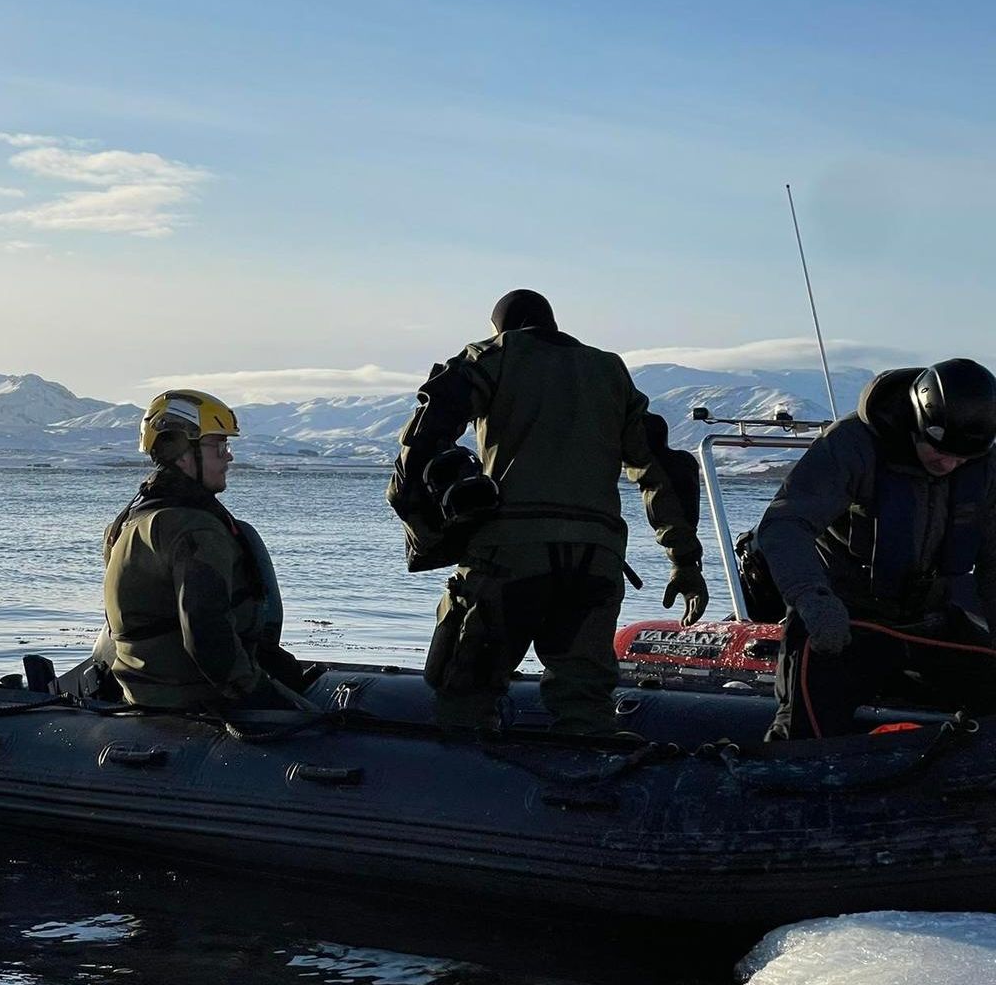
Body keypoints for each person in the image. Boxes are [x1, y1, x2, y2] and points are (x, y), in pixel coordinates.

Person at [391, 288, 708, 736]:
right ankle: (588, 788)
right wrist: (684, 562)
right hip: (596, 561)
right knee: (584, 702)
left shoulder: (494, 355)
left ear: (501, 326)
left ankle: (468, 787)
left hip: (508, 555)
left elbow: (422, 441)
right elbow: (660, 471)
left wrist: (431, 531)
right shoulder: (609, 371)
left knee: (466, 690)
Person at [755, 358, 996, 740]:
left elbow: (992, 560)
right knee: (805, 733)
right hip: (843, 620)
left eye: (961, 458)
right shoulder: (851, 445)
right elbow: (784, 525)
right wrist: (812, 599)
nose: (949, 464)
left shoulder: (983, 465)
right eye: (940, 451)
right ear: (919, 423)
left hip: (929, 619)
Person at [100, 390, 307, 711]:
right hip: (192, 694)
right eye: (218, 446)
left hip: (145, 688)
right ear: (181, 451)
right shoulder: (194, 529)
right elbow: (206, 633)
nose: (229, 456)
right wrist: (263, 697)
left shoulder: (129, 520)